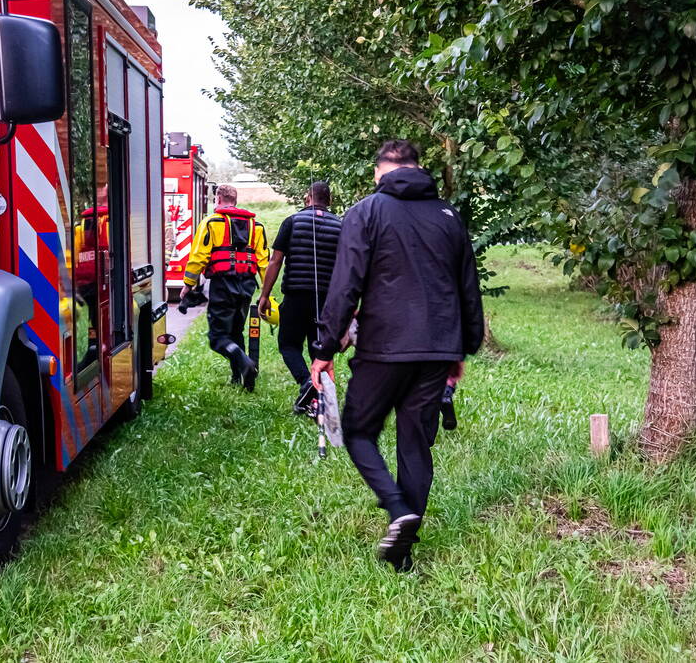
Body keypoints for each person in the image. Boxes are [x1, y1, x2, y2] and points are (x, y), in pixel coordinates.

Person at [310, 140, 485, 571]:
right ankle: (403, 549)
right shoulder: (448, 216)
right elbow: (467, 285)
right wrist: (463, 347)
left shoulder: (367, 211)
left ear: (379, 172)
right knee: (415, 442)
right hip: (437, 348)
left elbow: (346, 283)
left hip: (385, 345)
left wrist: (324, 348)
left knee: (357, 430)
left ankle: (396, 508)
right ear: (417, 168)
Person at [258, 181, 342, 413]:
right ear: (330, 201)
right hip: (326, 299)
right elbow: (348, 266)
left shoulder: (292, 222)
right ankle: (318, 400)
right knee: (319, 348)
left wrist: (264, 295)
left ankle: (307, 383)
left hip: (295, 294)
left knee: (288, 344)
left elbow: (275, 261)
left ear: (307, 198)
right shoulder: (340, 226)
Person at [182, 184, 269, 387]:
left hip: (222, 284)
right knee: (236, 331)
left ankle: (246, 364)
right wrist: (266, 292)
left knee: (217, 336)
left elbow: (198, 256)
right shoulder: (256, 226)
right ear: (235, 201)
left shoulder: (211, 223)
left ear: (218, 200)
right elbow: (264, 261)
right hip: (246, 285)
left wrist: (188, 284)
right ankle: (238, 378)